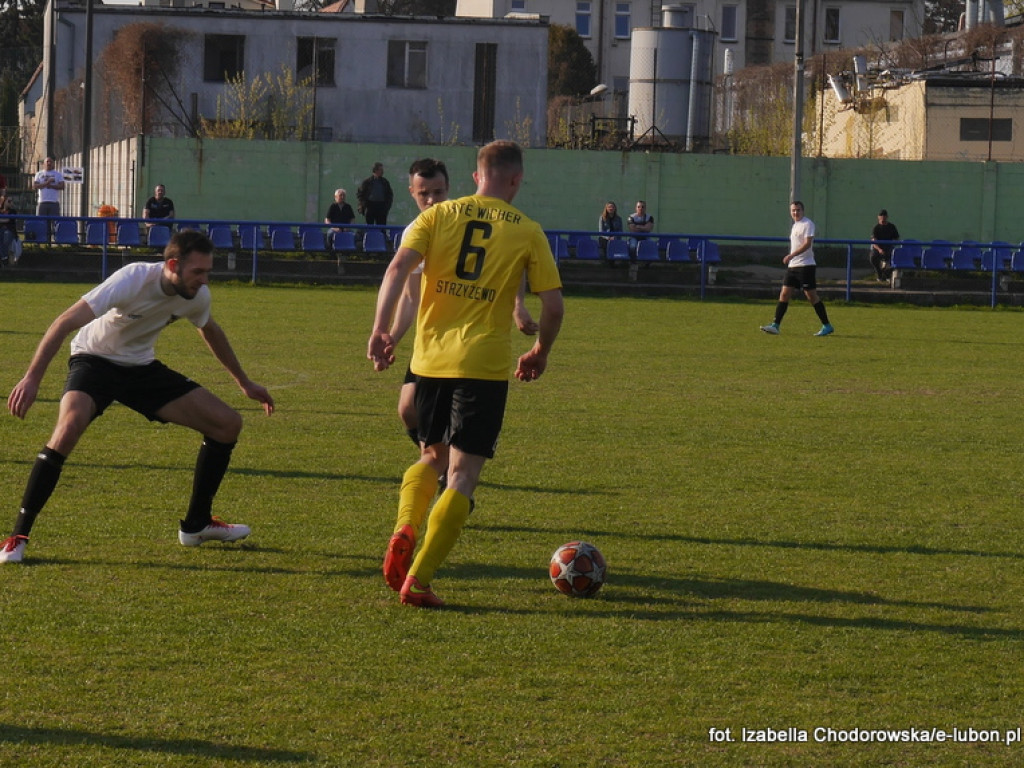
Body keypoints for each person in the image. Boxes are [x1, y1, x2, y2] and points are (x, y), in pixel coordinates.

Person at [367, 140, 564, 608]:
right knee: (463, 476)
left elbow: (397, 268)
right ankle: (419, 579)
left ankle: (405, 528)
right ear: (515, 180)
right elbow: (552, 305)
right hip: (483, 366)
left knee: (430, 458)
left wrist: (380, 329)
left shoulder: (436, 216)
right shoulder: (529, 231)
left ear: (476, 176)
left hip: (428, 361)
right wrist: (540, 350)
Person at [0, 231, 276, 564]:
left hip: (140, 368)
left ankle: (197, 525)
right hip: (95, 359)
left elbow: (210, 329)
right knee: (67, 430)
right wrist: (32, 378)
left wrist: (244, 382)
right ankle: (18, 537)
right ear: (173, 264)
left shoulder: (197, 294)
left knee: (227, 424)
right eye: (197, 272)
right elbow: (63, 323)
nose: (204, 280)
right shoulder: (132, 279)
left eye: (207, 272)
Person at [388, 158, 538, 449]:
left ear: (449, 188)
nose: (431, 200)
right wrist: (391, 338)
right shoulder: (416, 231)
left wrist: (518, 304)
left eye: (438, 192)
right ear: (411, 192)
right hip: (434, 339)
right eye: (424, 194)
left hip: (475, 339)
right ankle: (440, 464)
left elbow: (512, 263)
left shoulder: (460, 221)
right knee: (408, 410)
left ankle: (441, 467)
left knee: (443, 423)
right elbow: (409, 296)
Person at [760, 201, 834, 337]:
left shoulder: (808, 224)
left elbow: (807, 244)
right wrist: (792, 259)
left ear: (803, 211)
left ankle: (827, 325)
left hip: (806, 266)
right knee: (784, 294)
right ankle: (775, 325)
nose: (795, 213)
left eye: (798, 210)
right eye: (793, 210)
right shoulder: (795, 225)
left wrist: (791, 255)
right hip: (793, 267)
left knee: (811, 296)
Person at [356, 162, 394, 226]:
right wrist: (363, 205)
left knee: (381, 227)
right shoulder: (367, 182)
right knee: (369, 226)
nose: (382, 171)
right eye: (380, 170)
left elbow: (389, 195)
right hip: (370, 206)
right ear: (375, 170)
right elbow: (360, 194)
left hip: (381, 207)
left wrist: (387, 207)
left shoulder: (385, 182)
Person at [869, 208, 900, 282]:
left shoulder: (891, 227)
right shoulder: (876, 228)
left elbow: (896, 238)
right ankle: (879, 273)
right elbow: (874, 241)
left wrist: (892, 244)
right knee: (873, 257)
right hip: (878, 247)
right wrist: (879, 249)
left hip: (888, 247)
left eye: (884, 216)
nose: (883, 218)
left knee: (896, 258)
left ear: (887, 217)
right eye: (881, 216)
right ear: (878, 217)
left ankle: (886, 274)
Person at [0, 194, 18, 266]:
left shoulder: (13, 211)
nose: (11, 202)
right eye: (9, 201)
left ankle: (4, 259)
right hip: (1, 230)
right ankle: (4, 258)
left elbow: (7, 220)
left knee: (5, 241)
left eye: (12, 201)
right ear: (4, 201)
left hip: (9, 230)